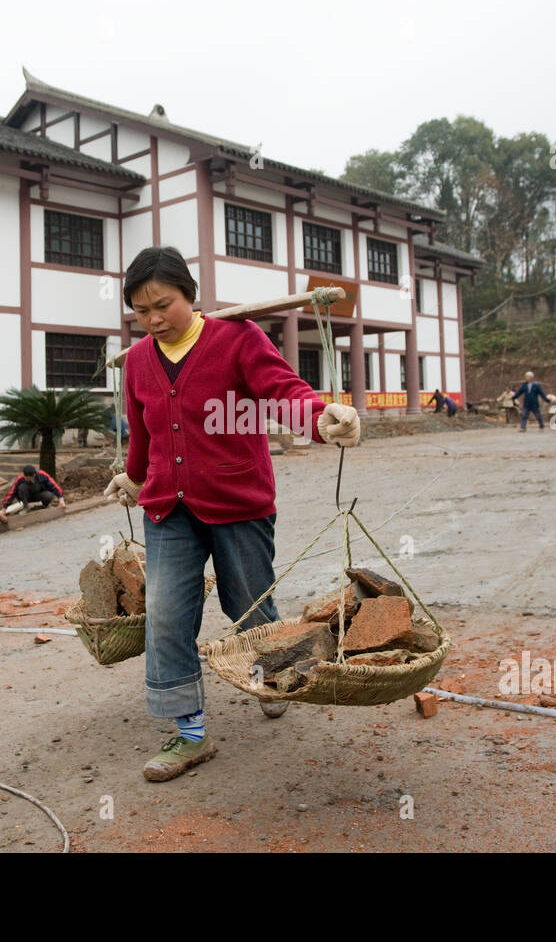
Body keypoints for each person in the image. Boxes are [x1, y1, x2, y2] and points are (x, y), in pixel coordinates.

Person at [103, 246, 360, 783]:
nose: (153, 319)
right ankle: (189, 733)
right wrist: (132, 477)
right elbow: (144, 432)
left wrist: (322, 418)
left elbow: (283, 392)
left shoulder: (237, 339)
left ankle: (275, 673)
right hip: (167, 507)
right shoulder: (138, 363)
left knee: (248, 602)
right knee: (167, 612)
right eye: (141, 311)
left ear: (189, 295)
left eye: (163, 305)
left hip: (237, 503)